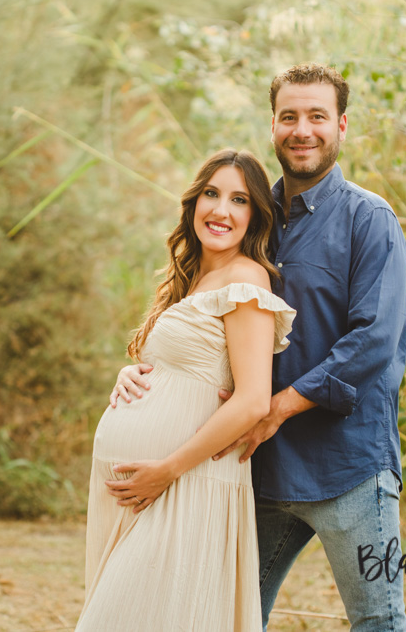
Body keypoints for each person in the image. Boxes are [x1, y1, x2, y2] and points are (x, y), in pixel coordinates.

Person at [112, 64, 406, 631]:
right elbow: (202, 319)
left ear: (341, 125)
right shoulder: (252, 216)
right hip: (259, 471)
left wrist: (276, 408)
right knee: (228, 616)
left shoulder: (370, 220)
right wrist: (142, 378)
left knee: (378, 620)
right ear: (272, 125)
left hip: (351, 469)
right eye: (290, 116)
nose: (303, 130)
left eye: (317, 116)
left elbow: (374, 340)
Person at [76, 149, 297, 631]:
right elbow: (185, 370)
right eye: (212, 194)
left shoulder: (246, 279)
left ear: (255, 216)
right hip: (149, 487)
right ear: (194, 202)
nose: (221, 210)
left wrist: (167, 470)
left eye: (239, 200)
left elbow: (253, 399)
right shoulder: (192, 279)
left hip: (185, 483)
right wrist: (134, 373)